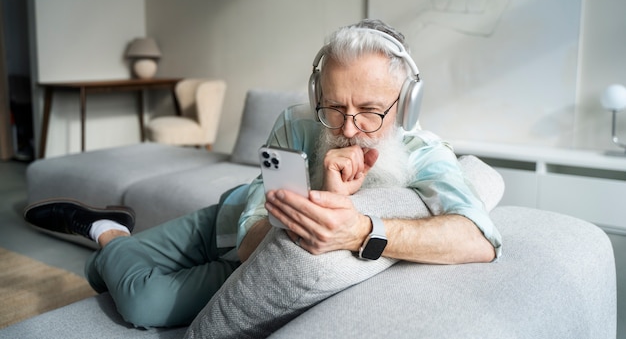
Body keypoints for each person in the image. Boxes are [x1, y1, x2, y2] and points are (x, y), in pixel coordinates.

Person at [24, 19, 502, 329]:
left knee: (138, 302)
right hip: (228, 217)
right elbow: (260, 216)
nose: (349, 128)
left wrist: (362, 229)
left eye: (371, 110)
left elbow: (479, 239)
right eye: (333, 106)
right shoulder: (296, 122)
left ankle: (106, 233)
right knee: (113, 277)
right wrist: (313, 198)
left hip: (247, 265)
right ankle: (111, 238)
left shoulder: (425, 154)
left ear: (408, 102)